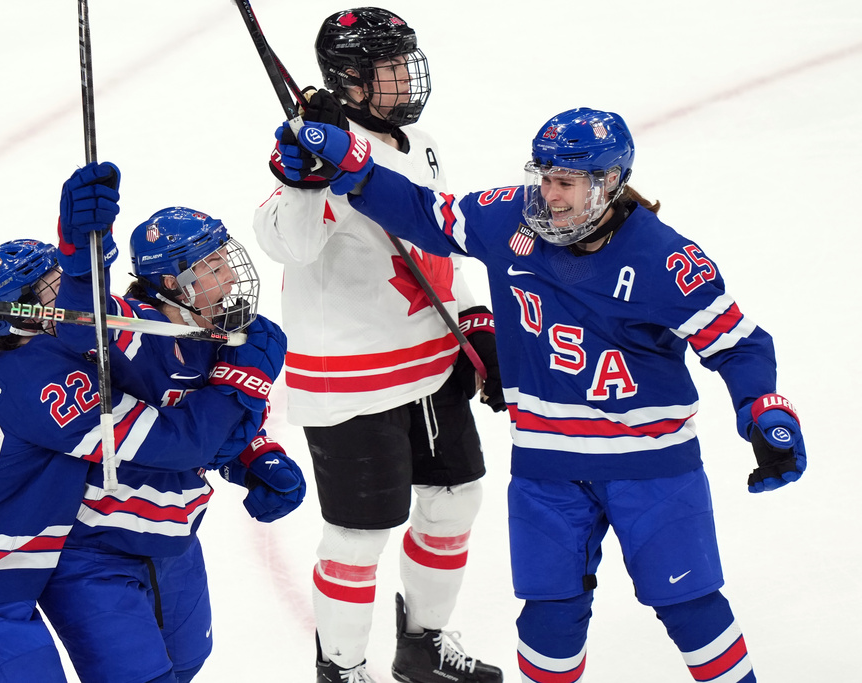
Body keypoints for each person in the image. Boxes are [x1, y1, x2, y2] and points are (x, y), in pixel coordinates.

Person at [277, 106, 808, 683]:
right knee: (548, 617)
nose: (549, 197)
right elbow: (421, 214)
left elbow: (739, 344)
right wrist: (355, 167)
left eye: (566, 184)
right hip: (547, 469)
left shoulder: (666, 260)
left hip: (650, 467)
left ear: (609, 184)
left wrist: (761, 407)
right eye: (544, 179)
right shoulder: (510, 219)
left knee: (690, 606)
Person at [0, 234, 282, 682]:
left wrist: (252, 451)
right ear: (20, 313)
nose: (71, 294)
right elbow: (179, 443)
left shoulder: (6, 351)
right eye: (53, 287)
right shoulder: (54, 381)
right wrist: (242, 382)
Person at [253, 8, 504, 683]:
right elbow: (288, 242)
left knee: (456, 499)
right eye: (386, 65)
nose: (403, 75)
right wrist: (301, 178)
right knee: (360, 535)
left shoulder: (419, 143)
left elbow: (449, 233)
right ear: (350, 79)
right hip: (352, 380)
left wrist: (476, 316)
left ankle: (421, 645)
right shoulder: (321, 149)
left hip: (434, 360)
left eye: (402, 60)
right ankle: (342, 668)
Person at [38, 162, 305, 683]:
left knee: (184, 665)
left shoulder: (221, 334)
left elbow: (218, 429)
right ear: (170, 282)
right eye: (211, 265)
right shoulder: (133, 329)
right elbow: (81, 322)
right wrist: (80, 257)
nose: (229, 274)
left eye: (225, 257)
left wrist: (257, 458)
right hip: (98, 548)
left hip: (175, 537)